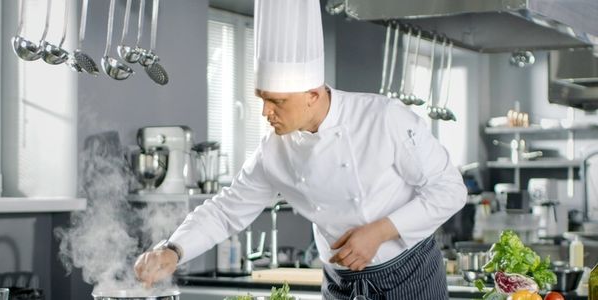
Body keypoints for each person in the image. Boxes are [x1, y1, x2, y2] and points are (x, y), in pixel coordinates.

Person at [134, 0, 467, 298]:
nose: (265, 111)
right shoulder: (273, 152)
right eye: (262, 98)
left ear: (313, 94)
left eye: (277, 101)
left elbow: (450, 191)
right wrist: (173, 249)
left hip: (409, 276)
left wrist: (379, 232)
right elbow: (225, 210)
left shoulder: (383, 118)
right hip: (341, 283)